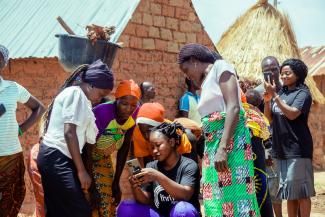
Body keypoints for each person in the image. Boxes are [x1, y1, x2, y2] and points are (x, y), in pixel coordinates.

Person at [178, 43, 260, 216]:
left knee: (238, 201)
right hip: (213, 148)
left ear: (194, 61)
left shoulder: (221, 68)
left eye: (186, 71)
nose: (188, 76)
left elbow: (234, 108)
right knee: (215, 201)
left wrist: (223, 148)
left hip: (231, 147)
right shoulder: (205, 84)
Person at [37, 60, 114, 217]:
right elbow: (69, 132)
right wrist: (81, 171)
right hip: (56, 157)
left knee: (59, 211)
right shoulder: (76, 94)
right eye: (100, 94)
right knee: (80, 210)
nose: (100, 100)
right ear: (91, 85)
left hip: (55, 157)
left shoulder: (81, 98)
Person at [264, 59, 315, 217]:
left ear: (298, 75)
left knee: (301, 193)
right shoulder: (282, 93)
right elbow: (269, 119)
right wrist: (267, 101)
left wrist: (275, 96)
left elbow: (292, 114)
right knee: (289, 193)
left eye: (288, 73)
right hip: (282, 150)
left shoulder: (303, 93)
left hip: (297, 149)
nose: (284, 76)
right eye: (282, 73)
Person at [117, 122, 200, 217]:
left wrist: (157, 176)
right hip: (159, 214)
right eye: (152, 147)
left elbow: (185, 195)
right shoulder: (151, 166)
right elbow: (146, 200)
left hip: (180, 213)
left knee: (183, 209)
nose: (154, 151)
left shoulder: (188, 165)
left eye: (158, 145)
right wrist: (135, 187)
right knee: (126, 207)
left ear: (171, 142)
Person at [0, 45, 45, 217]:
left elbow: (39, 108)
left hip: (11, 154)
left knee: (13, 197)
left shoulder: (12, 88)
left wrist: (20, 130)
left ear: (3, 62)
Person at [91, 79, 141, 217]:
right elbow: (86, 148)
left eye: (133, 105)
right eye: (124, 103)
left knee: (110, 198)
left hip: (103, 157)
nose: (129, 109)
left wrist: (116, 181)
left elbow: (124, 147)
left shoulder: (134, 114)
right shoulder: (101, 113)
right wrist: (92, 186)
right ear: (116, 99)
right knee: (92, 199)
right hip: (85, 157)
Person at [255, 56, 283, 217]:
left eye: (274, 69)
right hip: (270, 144)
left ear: (279, 68)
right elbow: (263, 122)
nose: (271, 73)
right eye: (267, 71)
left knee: (293, 187)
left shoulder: (288, 89)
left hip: (288, 143)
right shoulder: (259, 93)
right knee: (273, 186)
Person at [132, 102, 197, 168]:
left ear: (160, 127)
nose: (146, 136)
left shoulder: (174, 133)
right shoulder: (138, 132)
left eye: (149, 131)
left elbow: (183, 156)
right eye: (143, 132)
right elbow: (144, 157)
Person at [244, 89, 274, 217]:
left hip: (241, 156)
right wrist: (268, 156)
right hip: (258, 156)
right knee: (261, 189)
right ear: (260, 102)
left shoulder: (239, 112)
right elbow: (268, 141)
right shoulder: (261, 118)